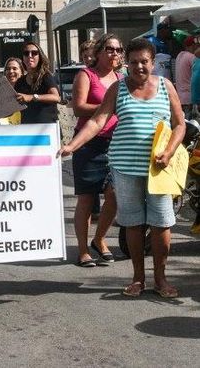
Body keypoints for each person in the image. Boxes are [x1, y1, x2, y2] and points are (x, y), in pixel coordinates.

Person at [59, 38, 185, 298]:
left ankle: (160, 279)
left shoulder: (166, 86)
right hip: (125, 169)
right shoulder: (118, 88)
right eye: (134, 62)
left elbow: (179, 124)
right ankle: (138, 279)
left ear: (153, 63)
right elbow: (97, 121)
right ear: (126, 63)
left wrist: (169, 150)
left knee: (162, 224)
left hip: (158, 170)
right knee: (134, 224)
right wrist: (73, 145)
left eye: (145, 62)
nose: (139, 66)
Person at [69, 34, 124, 267]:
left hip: (115, 144)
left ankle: (99, 239)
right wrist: (107, 108)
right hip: (89, 145)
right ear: (99, 52)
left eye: (118, 50)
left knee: (114, 195)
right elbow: (78, 108)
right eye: (110, 49)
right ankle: (83, 249)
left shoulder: (121, 78)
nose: (115, 54)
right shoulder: (86, 75)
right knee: (86, 198)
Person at [14, 41, 60, 124]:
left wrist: (31, 97)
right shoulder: (20, 82)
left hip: (47, 130)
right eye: (26, 53)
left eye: (34, 53)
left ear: (40, 57)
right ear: (23, 58)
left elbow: (56, 97)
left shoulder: (45, 76)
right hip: (27, 130)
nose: (30, 56)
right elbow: (11, 106)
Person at [174, 35, 198, 116]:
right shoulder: (192, 57)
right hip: (190, 99)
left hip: (180, 98)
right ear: (193, 45)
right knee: (193, 126)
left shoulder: (179, 56)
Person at [1, 57, 25, 124]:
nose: (11, 71)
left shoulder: (28, 92)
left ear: (22, 72)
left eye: (14, 68)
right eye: (8, 69)